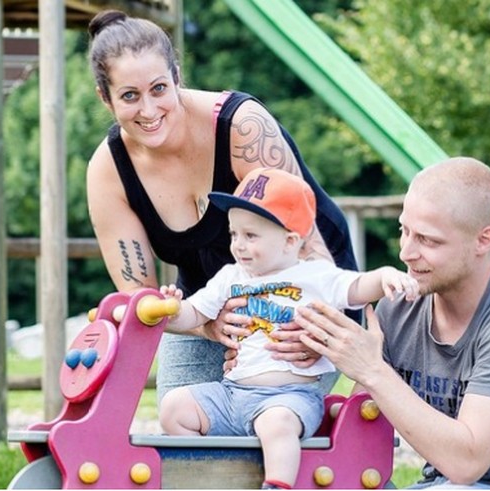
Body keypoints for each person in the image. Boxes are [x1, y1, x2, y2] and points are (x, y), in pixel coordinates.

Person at [84, 9, 361, 403]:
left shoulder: (242, 127)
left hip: (303, 294)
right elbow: (141, 299)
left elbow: (307, 242)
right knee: (183, 426)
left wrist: (316, 331)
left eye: (159, 88)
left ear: (177, 75)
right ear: (106, 98)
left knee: (271, 417)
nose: (148, 110)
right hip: (206, 304)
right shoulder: (108, 171)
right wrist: (207, 325)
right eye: (130, 96)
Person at [287, 157, 490, 488]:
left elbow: (466, 464)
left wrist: (372, 369)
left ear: (483, 240)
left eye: (428, 240)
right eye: (403, 230)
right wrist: (304, 365)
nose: (406, 252)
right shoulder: (401, 307)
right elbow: (361, 429)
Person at [157, 167, 418, 490]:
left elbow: (358, 286)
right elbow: (195, 313)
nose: (238, 245)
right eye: (234, 234)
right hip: (232, 394)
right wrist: (170, 310)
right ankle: (210, 477)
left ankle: (278, 485)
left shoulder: (315, 276)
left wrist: (386, 276)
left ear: (290, 240)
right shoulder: (230, 276)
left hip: (289, 397)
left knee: (278, 425)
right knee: (174, 407)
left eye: (251, 236)